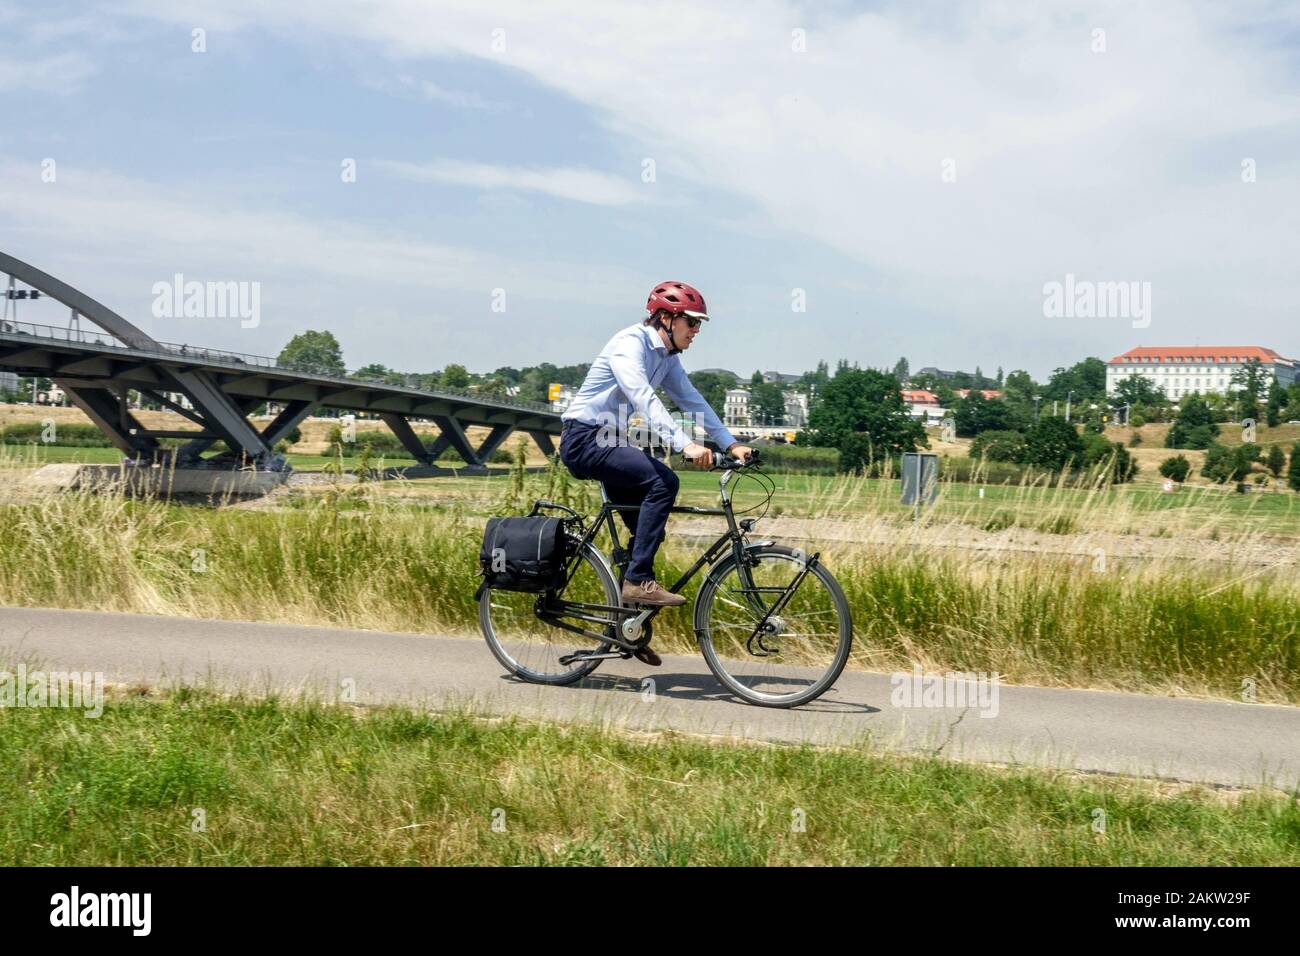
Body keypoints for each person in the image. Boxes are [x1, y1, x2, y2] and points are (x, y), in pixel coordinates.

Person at [560, 281, 752, 663]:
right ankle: (635, 584)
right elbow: (643, 399)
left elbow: (691, 399)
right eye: (692, 323)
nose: (696, 331)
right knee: (664, 481)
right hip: (585, 439)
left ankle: (624, 626)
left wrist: (730, 443)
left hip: (612, 442)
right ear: (666, 318)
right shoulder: (628, 345)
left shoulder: (667, 358)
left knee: (648, 529)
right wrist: (686, 445)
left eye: (699, 325)